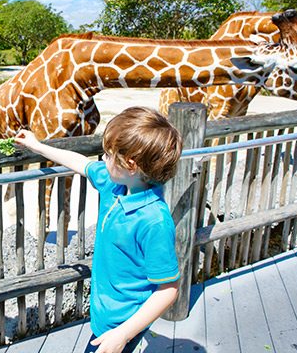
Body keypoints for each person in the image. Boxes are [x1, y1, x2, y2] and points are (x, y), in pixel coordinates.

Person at [14, 106, 183, 353]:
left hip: (123, 323)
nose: (102, 159)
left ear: (131, 164)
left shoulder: (153, 220)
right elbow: (80, 163)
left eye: (108, 154)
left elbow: (168, 289)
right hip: (105, 316)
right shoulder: (116, 185)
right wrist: (38, 146)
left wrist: (123, 334)